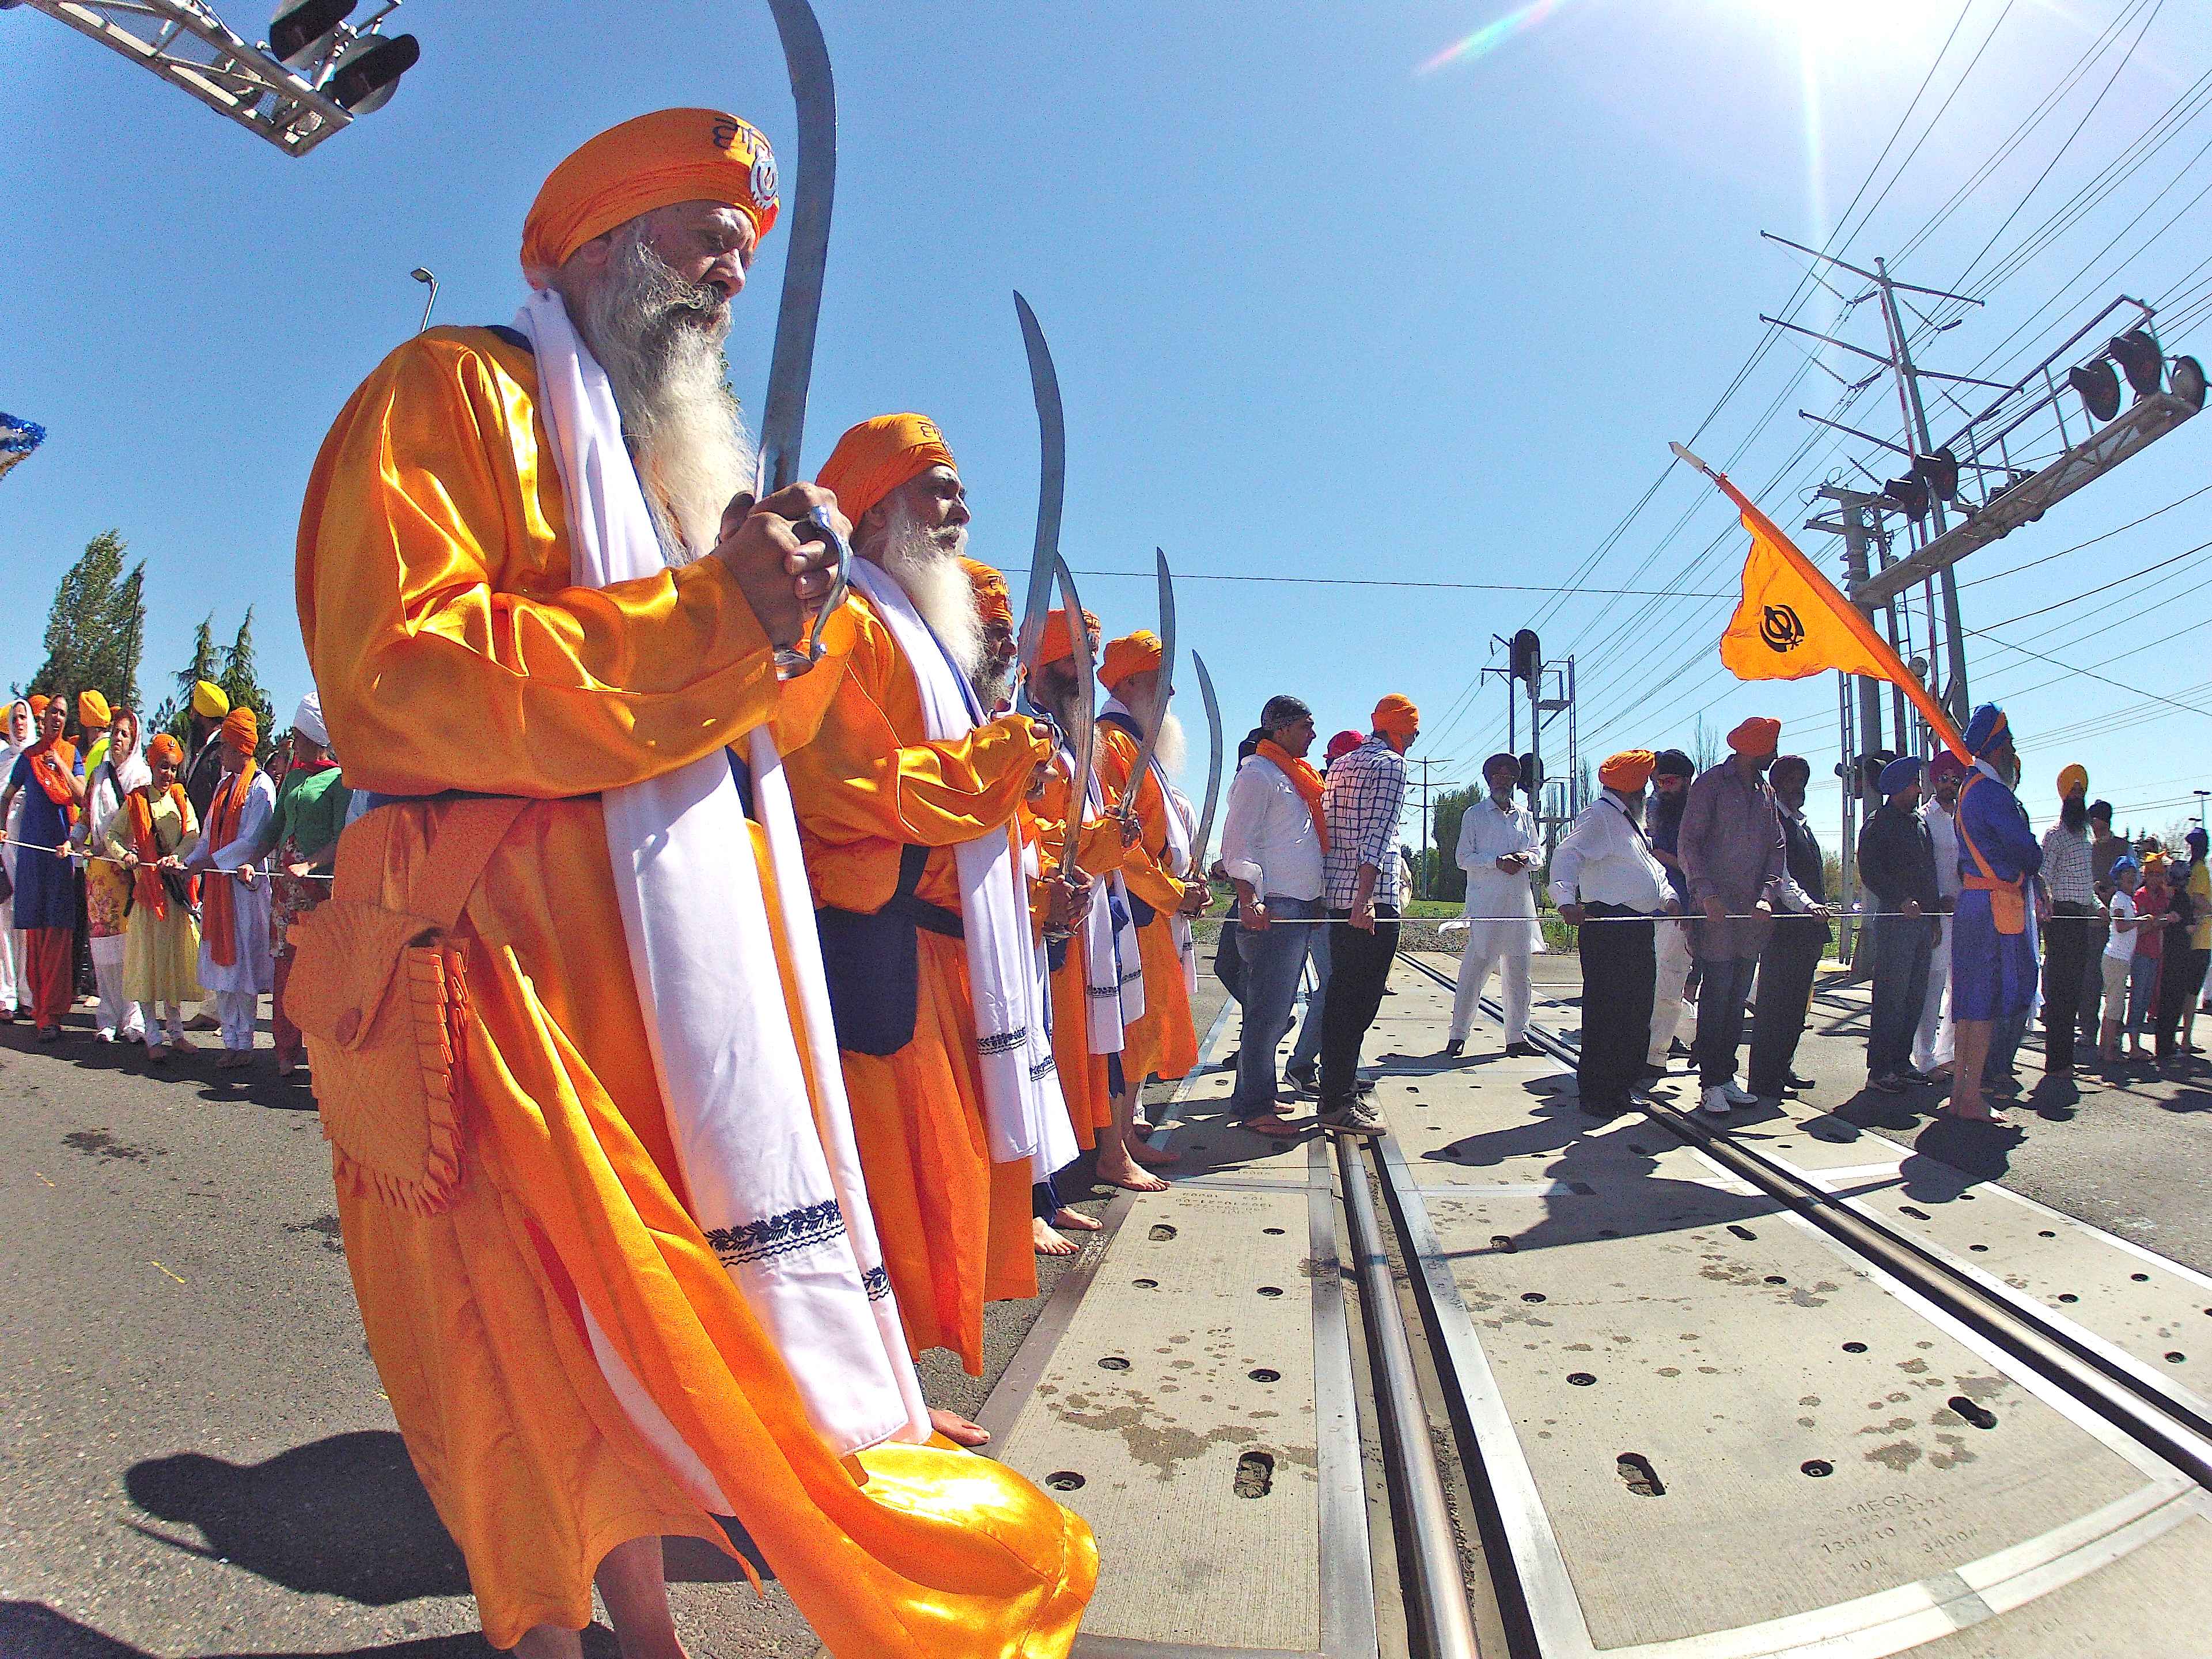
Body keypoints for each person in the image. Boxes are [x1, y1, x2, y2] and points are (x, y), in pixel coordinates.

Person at [297, 113, 1093, 1655]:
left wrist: (774, 623)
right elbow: (398, 680)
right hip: (496, 982)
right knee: (524, 1354)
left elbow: (768, 744)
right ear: (592, 251)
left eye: (746, 240)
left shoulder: (678, 478)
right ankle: (561, 1632)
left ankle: (650, 1621)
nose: (734, 260)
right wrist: (706, 620)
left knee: (653, 1341)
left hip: (692, 1003)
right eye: (699, 227)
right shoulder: (451, 391)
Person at [797, 411, 1081, 1448]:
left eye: (960, 492)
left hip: (947, 957)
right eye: (939, 490)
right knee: (879, 1184)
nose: (962, 512)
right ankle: (865, 1409)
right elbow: (840, 791)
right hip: (881, 946)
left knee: (929, 1185)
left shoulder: (917, 631)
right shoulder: (848, 622)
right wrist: (995, 766)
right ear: (874, 503)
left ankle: (897, 1397)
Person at [1027, 607, 1157, 1203]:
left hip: (1093, 910)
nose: (1085, 673)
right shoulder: (1026, 729)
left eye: (1091, 660)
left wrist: (1109, 838)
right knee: (1055, 1046)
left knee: (1099, 1041)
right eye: (1072, 660)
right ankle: (1059, 1179)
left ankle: (1098, 1156)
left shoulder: (1079, 740)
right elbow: (1026, 830)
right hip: (1050, 913)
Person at [1096, 628, 1209, 1104]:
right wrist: (1171, 892)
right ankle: (1116, 1149)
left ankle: (1126, 1134)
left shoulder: (1137, 745)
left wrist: (1189, 885)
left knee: (1147, 1025)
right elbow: (1119, 842)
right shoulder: (1113, 744)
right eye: (1159, 679)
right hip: (1133, 908)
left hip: (1156, 908)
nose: (1172, 692)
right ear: (1126, 686)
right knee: (1132, 1028)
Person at [1220, 694, 1326, 1135]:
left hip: (1297, 905)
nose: (1313, 735)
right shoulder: (1259, 774)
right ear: (1280, 729)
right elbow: (1236, 843)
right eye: (1306, 726)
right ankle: (1255, 1107)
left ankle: (1251, 1094)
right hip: (1275, 905)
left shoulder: (1294, 777)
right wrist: (1249, 899)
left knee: (1273, 1005)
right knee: (1267, 1010)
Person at [1315, 695, 1419, 1135]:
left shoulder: (1342, 764)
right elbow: (1377, 834)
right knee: (1359, 1000)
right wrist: (1366, 898)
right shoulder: (1392, 766)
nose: (1414, 738)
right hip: (1369, 899)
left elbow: (1333, 827)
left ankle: (1336, 1086)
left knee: (1342, 995)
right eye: (1412, 730)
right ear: (1398, 729)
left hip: (1337, 894)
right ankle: (1336, 1101)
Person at [1549, 751, 1672, 1118]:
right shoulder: (1600, 817)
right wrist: (1565, 900)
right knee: (1608, 1012)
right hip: (1608, 924)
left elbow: (1650, 870)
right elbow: (1566, 855)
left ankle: (1620, 1085)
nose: (1649, 791)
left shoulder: (1628, 822)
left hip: (1637, 924)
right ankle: (1598, 1092)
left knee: (1636, 1010)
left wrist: (1668, 897)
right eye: (1645, 784)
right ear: (1633, 788)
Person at [1677, 715, 1789, 1116]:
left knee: (1738, 996)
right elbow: (1689, 844)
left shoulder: (1765, 790)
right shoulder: (1710, 785)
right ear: (1753, 747)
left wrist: (1767, 896)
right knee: (1717, 993)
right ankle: (1710, 1083)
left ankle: (1726, 1076)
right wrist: (1705, 895)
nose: (1773, 753)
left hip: (1751, 916)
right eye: (1770, 746)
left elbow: (1777, 849)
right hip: (1717, 913)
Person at [1948, 706, 2040, 1126]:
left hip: (1974, 903)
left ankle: (1960, 1094)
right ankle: (1971, 1097)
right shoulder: (1994, 792)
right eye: (2011, 744)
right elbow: (2027, 852)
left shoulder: (1969, 788)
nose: (2014, 752)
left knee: (1969, 1005)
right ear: (1998, 746)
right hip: (1994, 908)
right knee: (1983, 1004)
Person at [180, 707, 275, 1068]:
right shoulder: (223, 788)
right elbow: (207, 838)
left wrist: (211, 863)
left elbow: (252, 842)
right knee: (223, 967)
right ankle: (230, 1040)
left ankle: (244, 1043)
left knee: (243, 967)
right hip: (219, 889)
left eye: (225, 748)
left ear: (241, 749)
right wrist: (190, 864)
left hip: (245, 889)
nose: (220, 754)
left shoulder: (260, 786)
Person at [266, 692, 351, 1077]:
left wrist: (312, 864)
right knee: (284, 965)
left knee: (316, 970)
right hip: (284, 892)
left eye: (299, 733)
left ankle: (320, 1055)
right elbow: (273, 829)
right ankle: (284, 1049)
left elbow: (342, 836)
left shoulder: (339, 780)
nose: (293, 740)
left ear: (315, 737)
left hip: (316, 892)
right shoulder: (294, 777)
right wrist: (246, 861)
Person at [104, 733, 203, 1060]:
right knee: (148, 967)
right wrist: (125, 856)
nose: (169, 774)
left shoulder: (180, 797)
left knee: (172, 965)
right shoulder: (134, 801)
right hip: (147, 896)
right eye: (164, 767)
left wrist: (177, 856)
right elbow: (112, 836)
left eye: (174, 768)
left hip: (174, 895)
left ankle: (176, 1033)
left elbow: (193, 834)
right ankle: (153, 1037)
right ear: (151, 764)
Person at [1445, 752, 1541, 1059]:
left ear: (1516, 779)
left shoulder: (1525, 816)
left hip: (1519, 907)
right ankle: (1458, 1034)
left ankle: (1517, 1037)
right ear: (1488, 779)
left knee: (1519, 973)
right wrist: (1496, 862)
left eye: (1508, 774)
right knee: (1475, 971)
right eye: (1496, 774)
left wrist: (1524, 860)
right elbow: (1463, 858)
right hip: (1485, 904)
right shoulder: (1474, 815)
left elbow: (1539, 855)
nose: (1502, 779)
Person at [1, 693, 84, 1040]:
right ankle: (40, 1010)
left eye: (64, 714)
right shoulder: (28, 757)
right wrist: (3, 825)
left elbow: (82, 796)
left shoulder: (71, 754)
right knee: (35, 933)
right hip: (32, 858)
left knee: (59, 934)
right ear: (43, 716)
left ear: (66, 721)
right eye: (53, 712)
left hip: (60, 855)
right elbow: (8, 795)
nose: (57, 719)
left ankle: (52, 1010)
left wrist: (60, 764)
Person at [1748, 753, 1831, 1100]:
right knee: (1774, 1005)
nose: (1798, 787)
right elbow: (1781, 877)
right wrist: (1806, 905)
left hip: (1807, 930)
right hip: (1782, 929)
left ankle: (1783, 1066)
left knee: (1798, 1006)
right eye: (1792, 780)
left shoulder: (1802, 824)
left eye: (1802, 781)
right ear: (1777, 784)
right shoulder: (1772, 823)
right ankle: (1765, 1078)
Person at [1856, 756, 1938, 1095]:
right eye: (1914, 784)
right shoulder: (1879, 824)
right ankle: (1881, 1068)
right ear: (1898, 788)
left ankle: (1902, 1062)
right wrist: (1900, 898)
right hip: (1895, 922)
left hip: (1922, 925)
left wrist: (1933, 919)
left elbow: (1929, 875)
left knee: (1914, 995)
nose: (1919, 789)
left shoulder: (1920, 825)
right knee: (1890, 995)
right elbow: (1871, 870)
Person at [78, 706, 149, 1043]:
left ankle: (133, 1018)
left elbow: (145, 826)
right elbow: (83, 818)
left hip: (128, 873)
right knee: (102, 948)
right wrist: (73, 842)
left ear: (134, 740)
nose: (118, 739)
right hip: (99, 873)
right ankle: (107, 1015)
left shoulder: (141, 778)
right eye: (115, 732)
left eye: (125, 734)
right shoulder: (98, 775)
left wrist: (123, 851)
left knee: (128, 948)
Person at [2035, 763, 2097, 1080]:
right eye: (2073, 791)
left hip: (2082, 917)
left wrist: (2098, 905)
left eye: (2082, 792)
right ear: (2064, 796)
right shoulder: (2054, 835)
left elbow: (2087, 881)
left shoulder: (2086, 838)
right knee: (2059, 992)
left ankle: (2066, 1060)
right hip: (2060, 916)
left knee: (2075, 990)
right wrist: (2045, 908)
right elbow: (2042, 876)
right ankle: (2056, 1062)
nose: (2078, 796)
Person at [1643, 748, 1698, 1074]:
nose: (1663, 787)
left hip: (1685, 905)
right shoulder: (1652, 807)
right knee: (1656, 981)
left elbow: (1699, 865)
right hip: (1651, 904)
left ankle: (1656, 1056)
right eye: (1658, 781)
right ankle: (1697, 1037)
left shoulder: (1698, 811)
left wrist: (1658, 855)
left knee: (1670, 980)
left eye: (1670, 781)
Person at [1911, 752, 1965, 1079]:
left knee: (1959, 987)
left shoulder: (1966, 817)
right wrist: (1934, 904)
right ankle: (1924, 1056)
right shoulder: (1925, 818)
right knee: (1932, 986)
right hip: (1937, 913)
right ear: (1934, 781)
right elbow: (1921, 868)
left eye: (1955, 779)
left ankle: (1950, 1051)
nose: (1949, 784)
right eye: (1943, 778)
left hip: (1968, 913)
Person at [2149, 849, 2199, 1070]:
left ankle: (2164, 1045)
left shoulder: (2171, 900)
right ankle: (2166, 1047)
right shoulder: (2184, 901)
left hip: (2169, 955)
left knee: (2166, 1000)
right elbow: (2190, 929)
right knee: (2173, 1002)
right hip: (2180, 957)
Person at [2099, 856, 2150, 1070]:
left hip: (2122, 959)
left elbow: (2134, 928)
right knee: (2115, 1007)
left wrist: (2154, 922)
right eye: (2126, 873)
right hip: (2115, 959)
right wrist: (2139, 921)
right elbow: (2120, 925)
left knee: (2115, 1005)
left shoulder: (2129, 901)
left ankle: (2105, 1048)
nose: (2131, 876)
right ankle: (2107, 1051)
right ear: (2119, 878)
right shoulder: (2120, 899)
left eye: (2133, 873)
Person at [2083, 799, 2124, 1034]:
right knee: (2091, 977)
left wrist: (2114, 891)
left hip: (2119, 925)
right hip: (2094, 921)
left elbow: (2133, 879)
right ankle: (2089, 1029)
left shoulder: (2122, 847)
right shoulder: (2087, 847)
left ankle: (2115, 1033)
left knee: (2117, 982)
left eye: (2095, 819)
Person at [0, 697, 29, 1021]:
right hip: (4, 852)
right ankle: (6, 995)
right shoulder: (3, 760)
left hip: (33, 852)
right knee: (5, 923)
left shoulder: (37, 758)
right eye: (15, 718)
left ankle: (28, 992)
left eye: (24, 718)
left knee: (27, 925)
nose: (19, 723)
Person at [2181, 827, 2211, 1054]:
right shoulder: (2201, 871)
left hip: (2192, 937)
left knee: (2187, 989)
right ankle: (2186, 1039)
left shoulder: (2190, 870)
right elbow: (2200, 901)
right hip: (2201, 938)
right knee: (2192, 990)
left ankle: (2183, 1037)